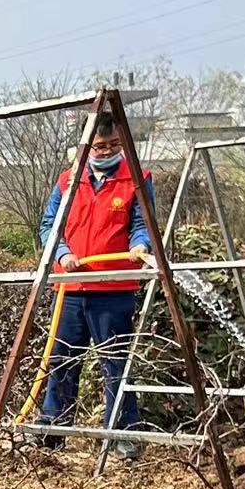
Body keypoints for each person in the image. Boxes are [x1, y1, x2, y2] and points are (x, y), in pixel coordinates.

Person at [37, 113, 155, 460]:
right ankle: (52, 430)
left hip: (113, 288)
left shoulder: (136, 179)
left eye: (114, 145)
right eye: (100, 146)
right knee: (62, 361)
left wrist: (140, 245)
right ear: (87, 146)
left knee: (115, 363)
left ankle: (121, 435)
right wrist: (62, 253)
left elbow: (142, 223)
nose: (107, 152)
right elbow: (49, 226)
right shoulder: (68, 181)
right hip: (71, 288)